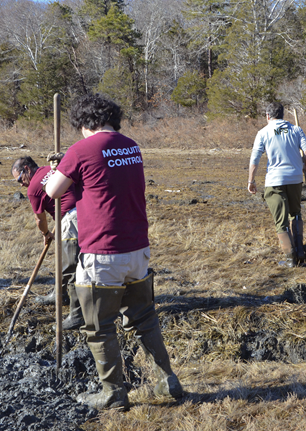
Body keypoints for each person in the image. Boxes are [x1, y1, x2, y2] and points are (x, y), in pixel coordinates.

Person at [45, 94, 183, 411]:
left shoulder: (82, 149)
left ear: (85, 122)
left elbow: (52, 190)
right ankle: (168, 379)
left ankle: (113, 393)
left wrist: (58, 167)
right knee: (144, 318)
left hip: (102, 250)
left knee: (99, 326)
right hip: (138, 247)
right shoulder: (131, 146)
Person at [11, 156, 85, 330]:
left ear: (27, 169)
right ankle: (60, 294)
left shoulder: (33, 189)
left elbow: (39, 219)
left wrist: (45, 233)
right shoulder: (49, 169)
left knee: (71, 267)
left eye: (20, 179)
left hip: (72, 218)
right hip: (81, 212)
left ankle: (77, 315)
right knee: (64, 258)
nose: (21, 185)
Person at [247, 102, 306, 267]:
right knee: (295, 214)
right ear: (283, 115)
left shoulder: (263, 133)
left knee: (280, 221)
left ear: (268, 116)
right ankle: (299, 252)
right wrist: (305, 165)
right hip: (295, 178)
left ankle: (290, 259)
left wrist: (251, 181)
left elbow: (255, 159)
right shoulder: (295, 130)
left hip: (275, 181)